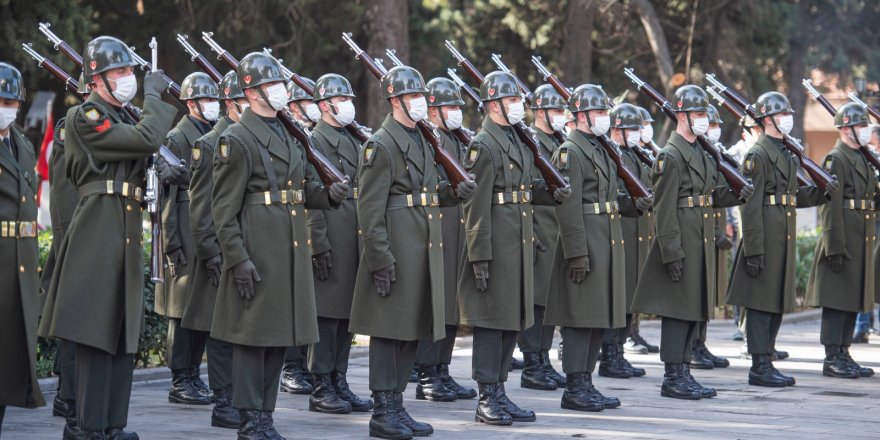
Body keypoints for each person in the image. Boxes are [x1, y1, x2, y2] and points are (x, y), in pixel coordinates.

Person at [39, 36, 176, 439]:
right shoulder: (87, 115)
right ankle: (88, 426)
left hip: (124, 228)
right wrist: (153, 99)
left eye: (129, 71)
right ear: (96, 79)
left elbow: (144, 151)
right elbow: (146, 140)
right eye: (119, 72)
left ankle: (112, 425)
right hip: (98, 226)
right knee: (95, 333)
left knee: (119, 333)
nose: (128, 77)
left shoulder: (121, 119)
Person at [210, 52, 350, 439]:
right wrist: (237, 259)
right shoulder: (235, 139)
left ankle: (265, 415)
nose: (280, 91)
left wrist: (328, 195)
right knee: (252, 341)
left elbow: (301, 189)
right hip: (258, 247)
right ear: (252, 92)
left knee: (276, 339)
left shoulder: (289, 132)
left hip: (288, 248)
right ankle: (249, 418)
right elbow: (223, 210)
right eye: (272, 85)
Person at [348, 65, 475, 440]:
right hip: (397, 248)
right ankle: (383, 410)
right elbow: (369, 211)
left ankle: (397, 404)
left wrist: (454, 194)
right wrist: (379, 258)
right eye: (414, 96)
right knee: (389, 333)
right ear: (396, 100)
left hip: (423, 248)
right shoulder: (381, 145)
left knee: (410, 332)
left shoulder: (422, 139)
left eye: (421, 95)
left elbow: (431, 191)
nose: (421, 102)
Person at [458, 71, 569, 426]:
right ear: (492, 105)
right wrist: (479, 255)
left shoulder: (516, 140)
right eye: (511, 101)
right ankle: (486, 397)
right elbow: (475, 206)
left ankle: (500, 391)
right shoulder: (483, 145)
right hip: (495, 247)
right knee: (492, 323)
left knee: (511, 322)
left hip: (518, 244)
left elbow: (521, 189)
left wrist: (549, 192)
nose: (518, 106)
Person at [631, 85, 750, 400]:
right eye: (698, 114)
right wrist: (670, 251)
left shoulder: (700, 150)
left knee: (693, 309)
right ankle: (672, 376)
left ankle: (684, 370)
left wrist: (738, 192)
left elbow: (709, 195)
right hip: (681, 238)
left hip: (700, 237)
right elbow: (664, 207)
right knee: (677, 310)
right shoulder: (670, 155)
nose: (703, 119)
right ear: (681, 115)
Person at [727, 92, 832, 387]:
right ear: (768, 119)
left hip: (781, 234)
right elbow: (750, 205)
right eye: (783, 114)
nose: (788, 118)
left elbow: (791, 196)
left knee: (773, 302)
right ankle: (759, 366)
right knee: (760, 304)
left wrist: (821, 192)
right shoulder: (758, 154)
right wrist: (754, 248)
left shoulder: (785, 152)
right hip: (764, 236)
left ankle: (767, 359)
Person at [181, 70, 247, 429]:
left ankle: (237, 397)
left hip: (238, 249)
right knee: (219, 331)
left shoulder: (243, 137)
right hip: (217, 254)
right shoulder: (210, 143)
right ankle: (224, 402)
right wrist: (210, 253)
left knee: (237, 327)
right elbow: (201, 207)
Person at [305, 73, 373, 414]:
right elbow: (312, 201)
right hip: (331, 232)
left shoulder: (352, 139)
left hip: (352, 232)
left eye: (349, 98)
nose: (349, 104)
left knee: (347, 316)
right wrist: (318, 244)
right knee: (326, 317)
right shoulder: (314, 141)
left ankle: (339, 379)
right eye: (341, 99)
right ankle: (321, 384)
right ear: (324, 106)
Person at [412, 77, 477, 402]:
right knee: (435, 304)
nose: (455, 112)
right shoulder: (427, 140)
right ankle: (426, 372)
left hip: (458, 226)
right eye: (449, 107)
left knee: (451, 304)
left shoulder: (458, 140)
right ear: (433, 110)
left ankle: (442, 368)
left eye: (457, 107)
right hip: (437, 225)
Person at [805, 102, 877, 380]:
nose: (866, 130)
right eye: (861, 125)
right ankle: (832, 356)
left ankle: (844, 352)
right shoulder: (837, 159)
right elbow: (830, 207)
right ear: (846, 128)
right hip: (843, 236)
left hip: (861, 236)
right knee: (837, 301)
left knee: (851, 299)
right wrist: (834, 245)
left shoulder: (862, 157)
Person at [159, 72, 217, 407]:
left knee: (200, 310)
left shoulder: (210, 134)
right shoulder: (177, 137)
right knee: (180, 312)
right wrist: (171, 241)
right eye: (205, 100)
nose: (212, 106)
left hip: (204, 228)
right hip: (183, 228)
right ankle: (180, 378)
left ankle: (194, 373)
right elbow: (167, 196)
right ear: (190, 102)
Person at [0, 61, 46, 435]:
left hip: (18, 264)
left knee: (7, 364)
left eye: (12, 101)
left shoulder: (22, 143)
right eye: (1, 100)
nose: (8, 107)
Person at [43, 73, 90, 426]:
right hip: (75, 239)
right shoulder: (70, 126)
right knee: (75, 323)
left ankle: (74, 395)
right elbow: (63, 192)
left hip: (93, 239)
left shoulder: (105, 126)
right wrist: (70, 241)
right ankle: (67, 397)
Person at [517, 84, 567, 391]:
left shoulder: (560, 141)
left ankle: (544, 359)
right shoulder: (531, 142)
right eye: (555, 110)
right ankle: (532, 364)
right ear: (539, 112)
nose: (561, 116)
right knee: (535, 301)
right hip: (538, 228)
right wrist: (531, 233)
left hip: (557, 227)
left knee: (549, 301)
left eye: (563, 111)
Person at [599, 103, 652, 380]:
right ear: (617, 130)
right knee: (617, 300)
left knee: (629, 298)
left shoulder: (635, 154)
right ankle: (610, 355)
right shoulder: (612, 154)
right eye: (631, 128)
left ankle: (618, 351)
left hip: (636, 233)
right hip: (619, 232)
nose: (636, 133)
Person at [278, 77, 318, 397]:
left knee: (308, 304)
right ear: (294, 107)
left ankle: (305, 366)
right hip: (293, 229)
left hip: (309, 229)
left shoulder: (309, 137)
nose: (316, 108)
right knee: (293, 301)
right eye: (309, 103)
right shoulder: (293, 137)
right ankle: (292, 368)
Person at [689, 105, 732, 371]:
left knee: (707, 294)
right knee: (696, 294)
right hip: (703, 233)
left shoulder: (711, 153)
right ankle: (693, 345)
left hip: (711, 234)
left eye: (714, 123)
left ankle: (700, 342)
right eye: (709, 122)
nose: (713, 128)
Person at [625, 106, 660, 355]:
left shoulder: (641, 153)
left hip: (640, 227)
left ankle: (632, 332)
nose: (643, 130)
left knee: (635, 286)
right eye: (638, 126)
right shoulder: (621, 154)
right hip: (626, 228)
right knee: (625, 288)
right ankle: (623, 339)